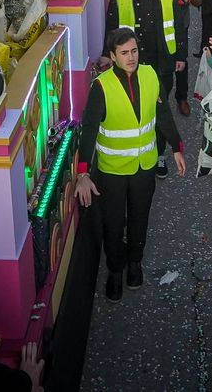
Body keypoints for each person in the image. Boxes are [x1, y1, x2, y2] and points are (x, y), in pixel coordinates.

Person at [74, 29, 185, 301]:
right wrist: (82, 173)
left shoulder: (150, 75)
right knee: (113, 223)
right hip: (111, 171)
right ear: (112, 56)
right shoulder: (101, 86)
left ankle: (135, 263)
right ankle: (115, 270)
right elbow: (88, 131)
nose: (131, 57)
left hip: (144, 167)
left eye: (134, 51)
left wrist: (176, 147)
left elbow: (163, 113)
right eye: (124, 53)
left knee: (139, 218)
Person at [108, 0, 187, 166]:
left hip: (162, 62)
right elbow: (112, 28)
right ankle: (137, 150)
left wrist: (181, 56)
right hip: (133, 64)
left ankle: (159, 154)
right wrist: (110, 57)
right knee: (136, 108)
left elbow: (178, 25)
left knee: (159, 108)